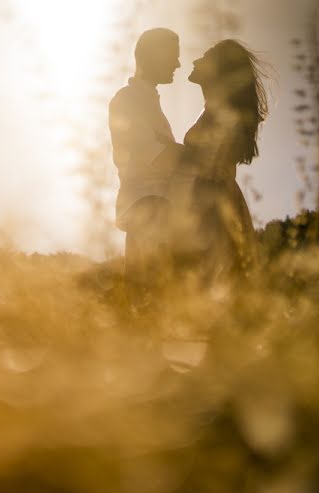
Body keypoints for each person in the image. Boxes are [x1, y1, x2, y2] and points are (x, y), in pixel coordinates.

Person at [168, 40, 268, 285]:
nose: (194, 61)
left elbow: (207, 164)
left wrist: (169, 150)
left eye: (203, 58)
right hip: (213, 202)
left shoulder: (222, 113)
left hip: (214, 206)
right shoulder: (214, 109)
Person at [109, 28, 183, 309]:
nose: (177, 64)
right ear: (153, 56)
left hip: (156, 203)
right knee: (146, 293)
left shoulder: (147, 100)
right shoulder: (128, 100)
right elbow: (155, 155)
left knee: (151, 294)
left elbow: (163, 152)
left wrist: (174, 150)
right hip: (147, 203)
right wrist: (187, 154)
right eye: (173, 57)